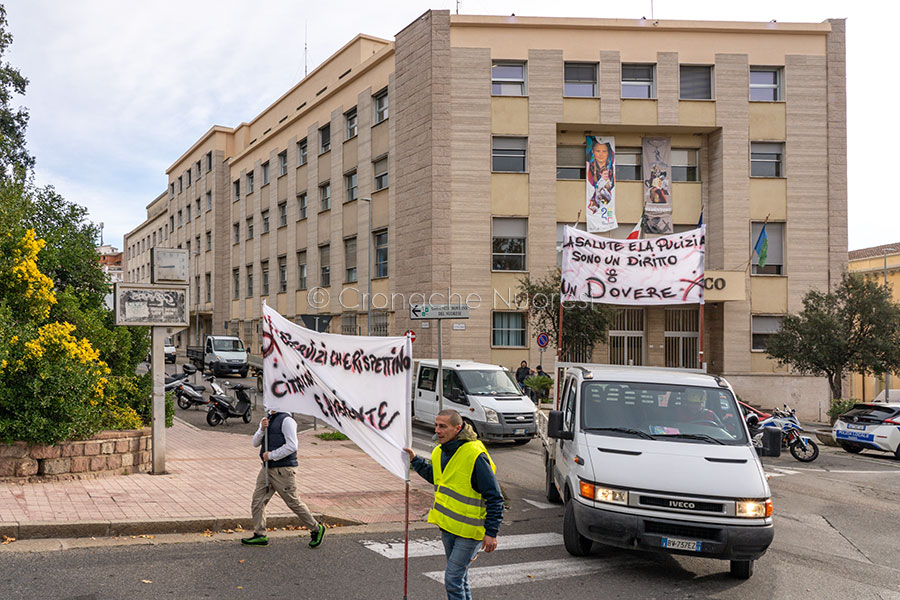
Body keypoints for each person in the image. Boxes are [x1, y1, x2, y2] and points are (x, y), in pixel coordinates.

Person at [405, 410, 504, 600]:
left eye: (443, 426)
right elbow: (437, 477)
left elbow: (495, 497)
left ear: (458, 428)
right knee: (460, 578)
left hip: (469, 531)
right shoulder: (439, 451)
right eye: (436, 425)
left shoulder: (474, 454)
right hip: (448, 527)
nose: (438, 430)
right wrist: (415, 460)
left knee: (452, 579)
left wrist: (491, 532)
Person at [241, 410, 326, 548]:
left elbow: (292, 445)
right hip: (267, 468)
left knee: (293, 502)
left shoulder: (287, 421)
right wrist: (262, 429)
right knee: (258, 500)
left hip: (283, 470)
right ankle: (260, 534)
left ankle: (316, 528)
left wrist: (272, 455)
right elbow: (255, 443)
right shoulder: (267, 419)